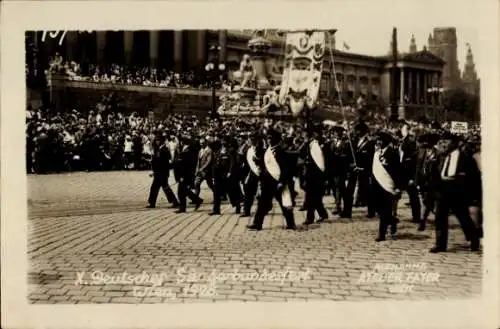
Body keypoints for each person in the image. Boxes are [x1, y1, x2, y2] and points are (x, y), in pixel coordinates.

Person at [429, 133, 481, 253]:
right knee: (440, 217)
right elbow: (435, 174)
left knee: (463, 217)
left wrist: (472, 195)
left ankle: (473, 239)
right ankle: (440, 244)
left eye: (447, 141)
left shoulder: (465, 157)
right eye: (442, 141)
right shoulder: (440, 156)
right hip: (443, 190)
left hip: (457, 190)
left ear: (454, 143)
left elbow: (474, 177)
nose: (443, 144)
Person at [248, 129, 296, 231]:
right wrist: (258, 162)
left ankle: (291, 224)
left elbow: (286, 169)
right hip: (267, 182)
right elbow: (264, 165)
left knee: (284, 203)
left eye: (270, 137)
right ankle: (257, 224)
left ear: (276, 139)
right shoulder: (267, 151)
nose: (268, 139)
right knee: (262, 204)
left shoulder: (282, 152)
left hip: (277, 182)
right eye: (268, 137)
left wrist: (282, 182)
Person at [371, 131, 403, 241]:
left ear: (386, 142)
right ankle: (392, 220)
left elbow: (398, 171)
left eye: (381, 140)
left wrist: (398, 186)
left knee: (385, 210)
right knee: (377, 208)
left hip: (388, 185)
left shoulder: (393, 153)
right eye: (377, 140)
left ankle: (382, 234)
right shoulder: (376, 153)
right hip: (376, 185)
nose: (378, 142)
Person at [302, 126, 329, 225]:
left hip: (319, 174)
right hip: (310, 174)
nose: (315, 135)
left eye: (316, 133)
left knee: (313, 197)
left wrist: (326, 177)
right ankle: (322, 214)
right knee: (312, 197)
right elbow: (302, 155)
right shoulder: (309, 144)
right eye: (314, 133)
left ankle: (310, 218)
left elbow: (327, 161)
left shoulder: (324, 145)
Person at [146, 135, 179, 209]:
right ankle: (175, 202)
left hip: (161, 173)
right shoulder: (158, 149)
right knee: (165, 188)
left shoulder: (164, 150)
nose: (157, 141)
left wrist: (155, 171)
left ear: (162, 141)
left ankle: (152, 203)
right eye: (156, 140)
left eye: (159, 140)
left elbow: (163, 163)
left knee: (155, 188)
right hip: (160, 172)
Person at [173, 135, 203, 213]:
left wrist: (182, 176)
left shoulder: (188, 153)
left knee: (181, 191)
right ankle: (196, 200)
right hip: (186, 175)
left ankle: (187, 205)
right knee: (183, 191)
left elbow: (184, 166)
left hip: (185, 175)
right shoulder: (189, 152)